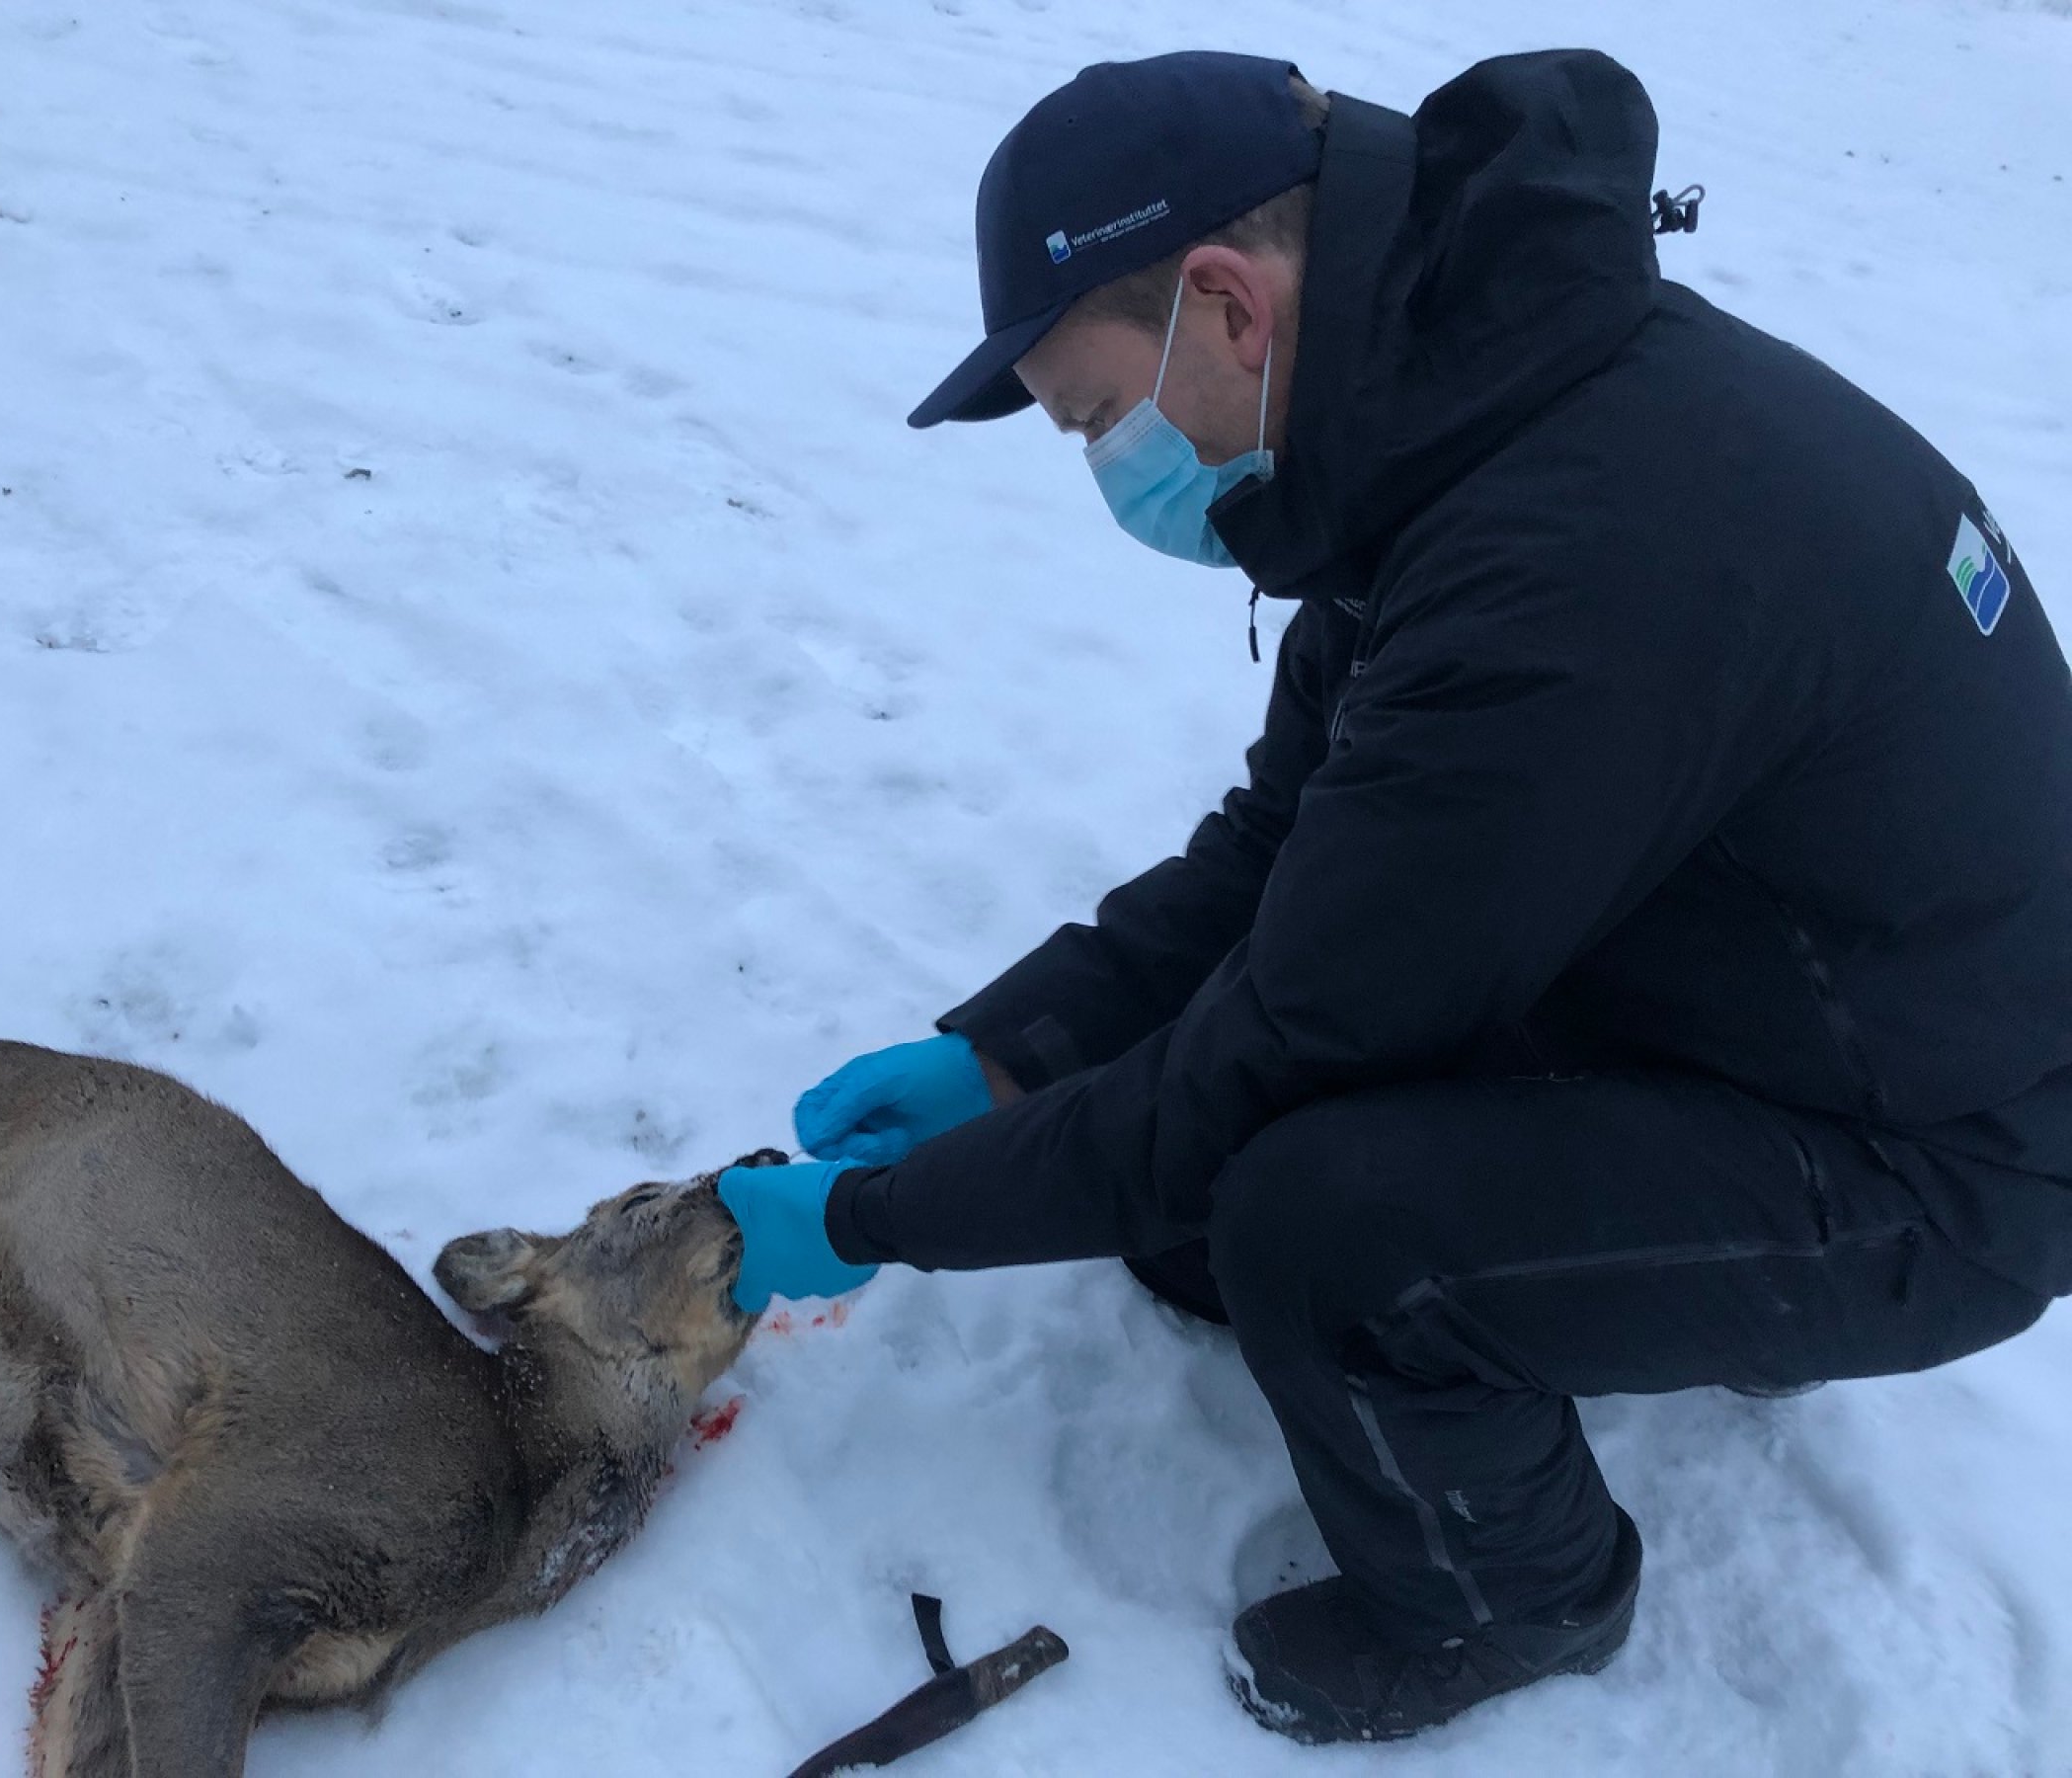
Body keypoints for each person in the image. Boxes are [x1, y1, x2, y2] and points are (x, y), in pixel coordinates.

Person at [716, 47, 2072, 1743]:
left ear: (1225, 307)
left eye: (1094, 419)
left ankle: (1513, 1594)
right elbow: (1288, 848)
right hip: (1771, 975)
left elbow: (1274, 1054)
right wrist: (1003, 1053)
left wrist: (866, 1227)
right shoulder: (1456, 416)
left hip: (1944, 1154)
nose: (1104, 469)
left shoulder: (1567, 561)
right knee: (1240, 1156)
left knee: (1315, 1229)